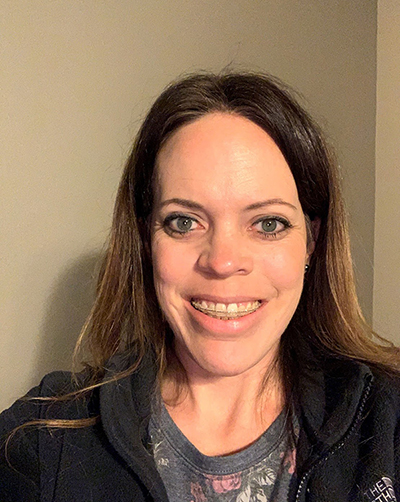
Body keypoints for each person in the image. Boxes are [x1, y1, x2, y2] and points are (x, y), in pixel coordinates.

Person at [1, 72, 399, 502]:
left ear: (311, 241)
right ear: (146, 240)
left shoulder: (387, 425)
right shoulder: (42, 442)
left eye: (268, 224)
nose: (223, 262)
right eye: (184, 222)